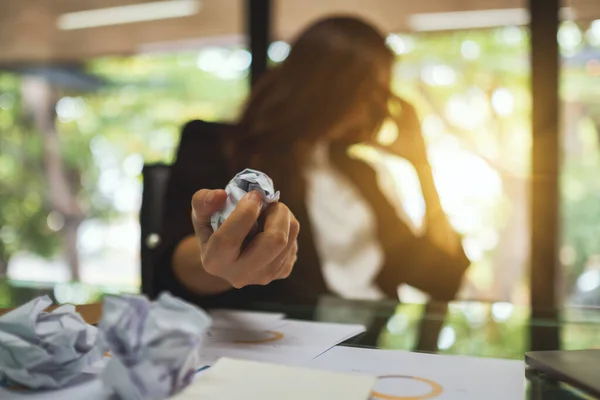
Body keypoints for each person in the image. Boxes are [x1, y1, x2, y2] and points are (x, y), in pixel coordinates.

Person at [153, 16, 470, 309]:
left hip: (370, 343)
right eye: (372, 92)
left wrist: (422, 167)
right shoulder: (219, 146)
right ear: (330, 85)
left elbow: (443, 279)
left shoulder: (360, 173)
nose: (376, 110)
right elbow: (172, 270)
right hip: (290, 345)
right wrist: (217, 262)